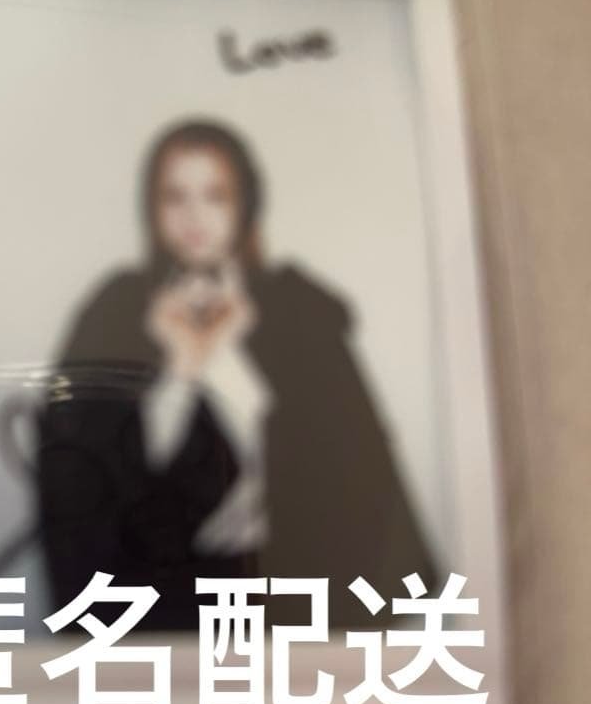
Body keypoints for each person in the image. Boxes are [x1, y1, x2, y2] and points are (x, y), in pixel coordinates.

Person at [37, 118, 439, 630]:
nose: (194, 216)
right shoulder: (116, 311)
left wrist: (230, 353)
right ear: (151, 207)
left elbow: (339, 465)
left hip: (292, 597)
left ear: (244, 203)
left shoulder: (295, 309)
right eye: (175, 197)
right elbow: (87, 474)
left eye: (215, 196)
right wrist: (183, 366)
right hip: (161, 604)